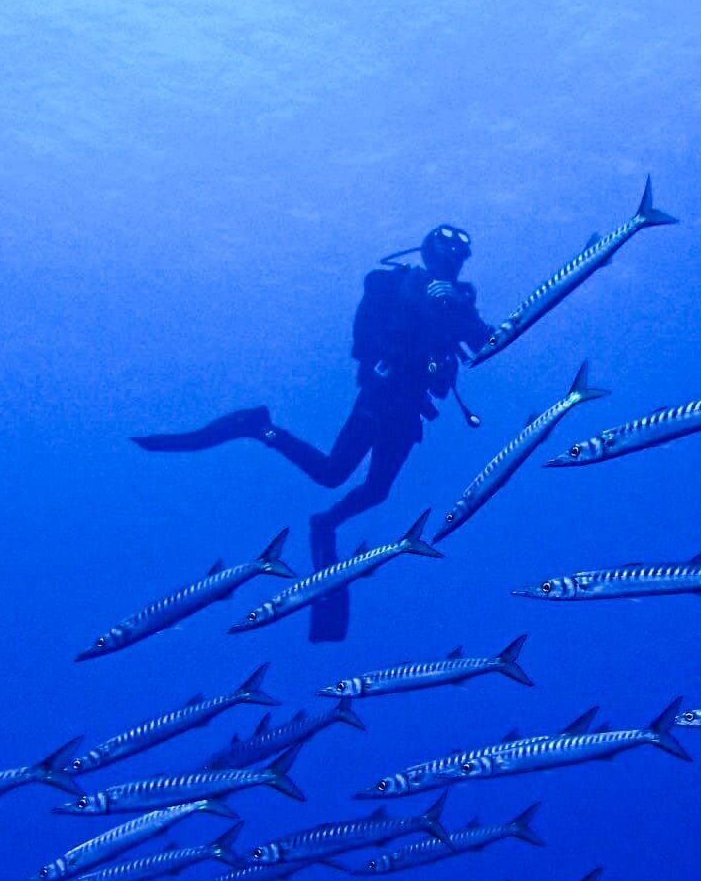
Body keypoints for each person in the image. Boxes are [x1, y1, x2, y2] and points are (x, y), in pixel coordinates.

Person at [132, 224, 492, 640]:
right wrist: (416, 320)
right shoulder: (391, 285)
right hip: (379, 399)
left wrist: (459, 312)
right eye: (443, 255)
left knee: (377, 492)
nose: (449, 264)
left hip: (411, 411)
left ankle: (325, 523)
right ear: (428, 254)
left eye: (457, 259)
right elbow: (364, 340)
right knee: (331, 473)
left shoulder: (461, 301)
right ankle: (259, 428)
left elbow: (485, 341)